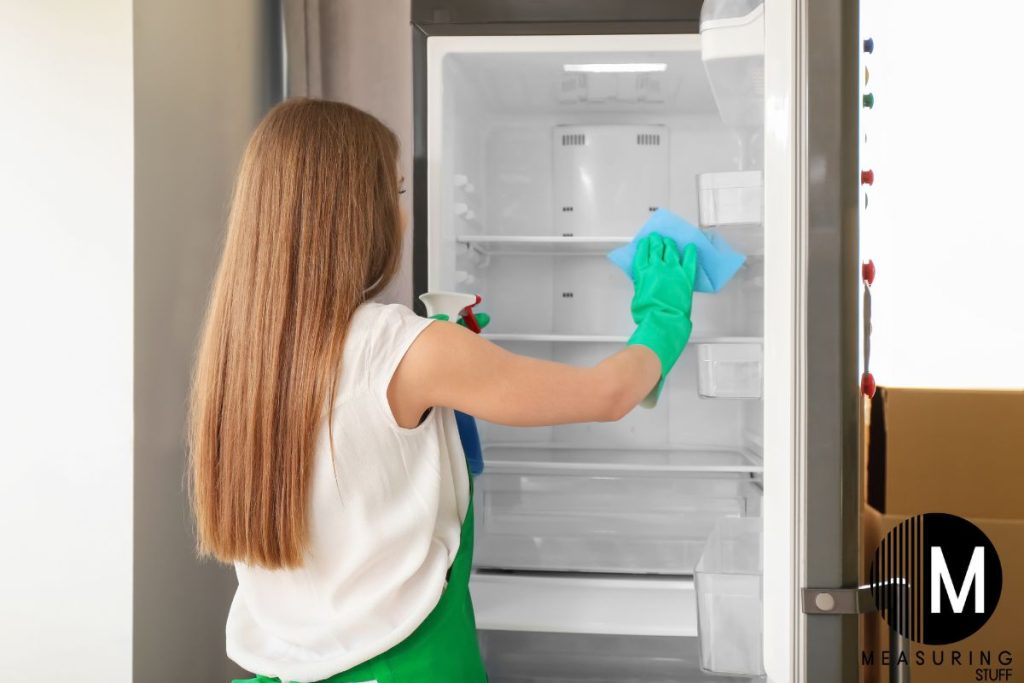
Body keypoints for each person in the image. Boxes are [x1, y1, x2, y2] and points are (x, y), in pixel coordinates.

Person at [187, 97, 697, 683]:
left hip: (279, 668)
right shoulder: (404, 346)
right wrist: (664, 316)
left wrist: (448, 362)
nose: (402, 212)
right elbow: (607, 395)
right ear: (358, 212)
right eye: (397, 193)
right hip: (406, 666)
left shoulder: (240, 354)